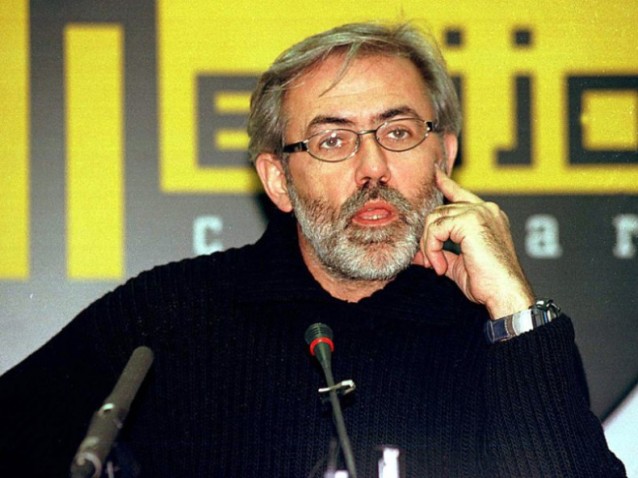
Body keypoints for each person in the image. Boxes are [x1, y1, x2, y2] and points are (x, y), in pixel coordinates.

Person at [0, 21, 625, 478]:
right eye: (333, 141)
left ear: (446, 154)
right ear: (278, 180)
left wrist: (514, 311)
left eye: (399, 132)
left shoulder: (507, 340)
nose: (373, 167)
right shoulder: (168, 318)